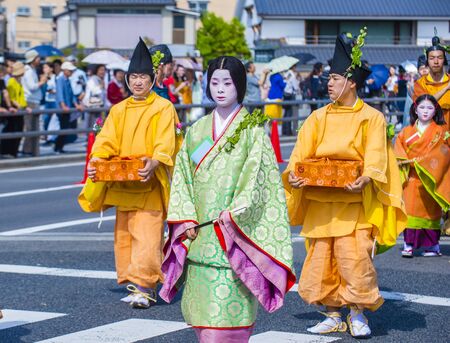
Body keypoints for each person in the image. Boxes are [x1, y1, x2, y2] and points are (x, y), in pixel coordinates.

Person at [160, 56, 295, 343]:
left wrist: (235, 213)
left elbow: (258, 179)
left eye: (228, 83)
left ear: (240, 86)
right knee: (202, 319)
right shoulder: (196, 131)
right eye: (214, 83)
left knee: (227, 323)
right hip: (200, 238)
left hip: (234, 237)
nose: (220, 89)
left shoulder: (252, 131)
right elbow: (183, 178)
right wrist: (186, 219)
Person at [282, 31, 407, 338]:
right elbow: (300, 155)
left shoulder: (371, 117)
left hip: (354, 203)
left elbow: (376, 154)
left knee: (355, 260)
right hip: (321, 202)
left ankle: (358, 312)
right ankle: (333, 313)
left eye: (336, 78)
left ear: (351, 82)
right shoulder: (317, 117)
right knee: (321, 260)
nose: (329, 83)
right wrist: (295, 176)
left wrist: (367, 176)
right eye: (329, 78)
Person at [82, 38, 182, 309]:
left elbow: (165, 142)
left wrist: (156, 160)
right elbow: (106, 141)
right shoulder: (118, 110)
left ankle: (146, 287)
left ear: (152, 79)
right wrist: (97, 160)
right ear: (127, 80)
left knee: (148, 236)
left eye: (143, 77)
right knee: (125, 235)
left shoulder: (162, 107)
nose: (138, 82)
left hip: (147, 183)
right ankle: (134, 282)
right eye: (133, 77)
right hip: (124, 182)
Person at [394, 94, 449, 257]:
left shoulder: (440, 131)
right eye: (422, 107)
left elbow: (443, 152)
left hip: (431, 178)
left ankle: (432, 245)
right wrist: (408, 161)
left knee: (431, 212)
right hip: (411, 177)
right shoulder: (406, 131)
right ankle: (408, 244)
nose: (425, 111)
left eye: (430, 108)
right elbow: (398, 150)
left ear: (435, 111)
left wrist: (424, 161)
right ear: (415, 109)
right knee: (410, 210)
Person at [414, 34, 450, 131]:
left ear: (444, 60)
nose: (436, 62)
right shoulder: (420, 83)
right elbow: (425, 104)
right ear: (427, 62)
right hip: (429, 135)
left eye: (439, 58)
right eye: (432, 58)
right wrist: (446, 88)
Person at [3, 62, 31, 157]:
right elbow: (11, 97)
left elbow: (21, 96)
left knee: (19, 131)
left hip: (19, 110)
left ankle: (14, 151)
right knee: (12, 131)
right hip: (14, 110)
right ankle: (9, 152)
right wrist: (19, 106)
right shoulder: (11, 81)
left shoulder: (19, 82)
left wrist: (25, 106)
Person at [55, 62, 83, 153]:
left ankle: (59, 147)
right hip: (62, 108)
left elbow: (71, 95)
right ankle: (57, 147)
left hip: (67, 108)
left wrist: (76, 104)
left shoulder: (67, 79)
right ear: (65, 70)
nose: (71, 72)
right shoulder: (60, 79)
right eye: (70, 70)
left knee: (65, 128)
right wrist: (63, 105)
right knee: (63, 128)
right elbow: (60, 93)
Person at [21, 49, 46, 155]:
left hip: (33, 100)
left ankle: (32, 150)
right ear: (32, 59)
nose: (39, 59)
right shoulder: (29, 71)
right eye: (37, 57)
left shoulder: (32, 70)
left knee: (33, 128)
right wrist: (42, 82)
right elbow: (32, 87)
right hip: (30, 101)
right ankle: (28, 150)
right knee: (31, 128)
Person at [42, 62, 58, 144]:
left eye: (46, 67)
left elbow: (58, 89)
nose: (44, 69)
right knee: (46, 120)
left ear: (51, 69)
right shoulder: (43, 78)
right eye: (43, 68)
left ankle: (53, 138)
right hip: (47, 101)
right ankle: (46, 138)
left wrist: (53, 91)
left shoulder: (56, 77)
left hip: (54, 101)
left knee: (54, 121)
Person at [282, 65, 300, 135]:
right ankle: (288, 131)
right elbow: (295, 87)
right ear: (293, 67)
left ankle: (284, 130)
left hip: (285, 94)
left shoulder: (286, 74)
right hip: (290, 95)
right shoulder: (292, 75)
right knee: (289, 114)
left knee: (285, 113)